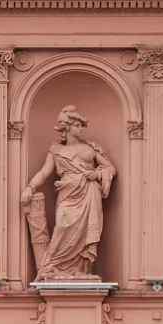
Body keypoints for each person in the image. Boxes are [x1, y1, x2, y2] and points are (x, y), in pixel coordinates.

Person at [23, 105, 116, 280]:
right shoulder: (56, 151)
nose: (81, 128)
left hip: (89, 194)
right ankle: (52, 267)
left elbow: (111, 169)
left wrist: (97, 174)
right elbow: (44, 172)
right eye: (78, 125)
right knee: (63, 227)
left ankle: (82, 271)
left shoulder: (91, 148)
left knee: (85, 235)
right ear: (68, 126)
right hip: (68, 197)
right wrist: (30, 187)